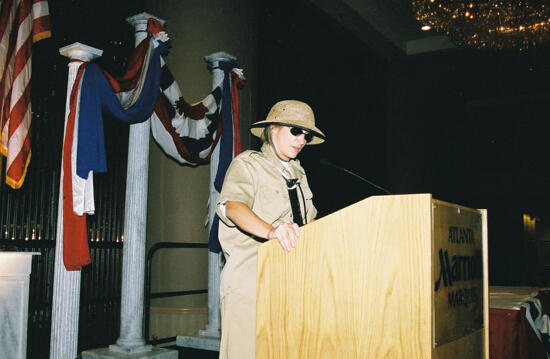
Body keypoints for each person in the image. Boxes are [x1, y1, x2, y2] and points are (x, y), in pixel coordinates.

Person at [216, 100, 326, 359]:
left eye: (306, 135)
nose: (302, 140)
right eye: (295, 131)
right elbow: (232, 206)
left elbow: (307, 223)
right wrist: (272, 231)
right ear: (273, 128)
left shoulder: (298, 174)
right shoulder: (248, 164)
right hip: (250, 282)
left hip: (291, 282)